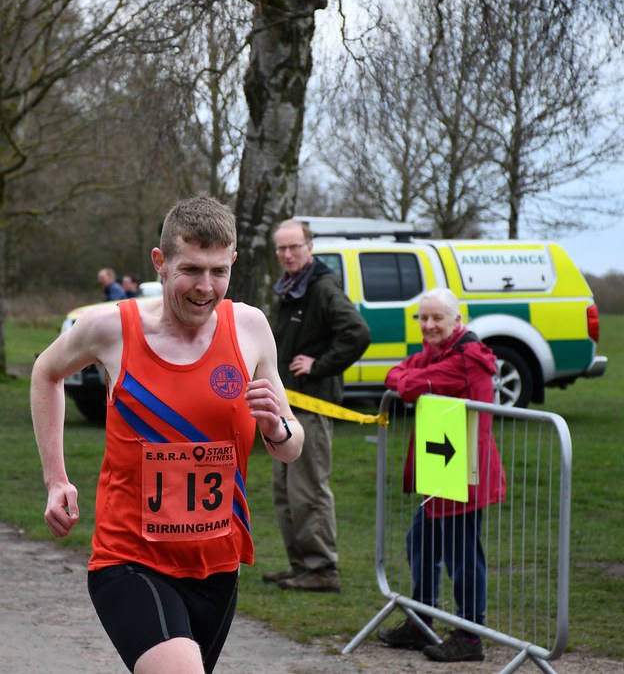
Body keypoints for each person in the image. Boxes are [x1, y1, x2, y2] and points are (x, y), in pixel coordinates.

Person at [31, 195, 304, 674]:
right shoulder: (110, 328)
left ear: (234, 262)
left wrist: (276, 427)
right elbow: (46, 372)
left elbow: (290, 445)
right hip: (131, 559)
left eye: (219, 271)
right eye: (191, 270)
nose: (205, 287)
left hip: (218, 563)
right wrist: (56, 478)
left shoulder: (251, 328)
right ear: (160, 263)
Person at [376, 288, 507, 663]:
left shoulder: (468, 359)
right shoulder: (438, 353)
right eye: (424, 318)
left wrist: (408, 378)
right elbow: (396, 373)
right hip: (441, 470)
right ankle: (422, 620)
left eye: (438, 318)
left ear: (457, 322)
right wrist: (407, 376)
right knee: (422, 542)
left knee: (463, 555)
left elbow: (409, 383)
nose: (429, 325)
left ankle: (469, 634)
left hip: (465, 474)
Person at [263, 219, 371, 593]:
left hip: (313, 405)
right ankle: (300, 566)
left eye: (295, 247)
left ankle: (323, 568)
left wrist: (319, 366)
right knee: (285, 491)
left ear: (310, 247)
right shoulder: (292, 287)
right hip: (287, 403)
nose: (288, 255)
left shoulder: (322, 286)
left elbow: (357, 333)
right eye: (282, 249)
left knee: (308, 489)